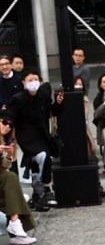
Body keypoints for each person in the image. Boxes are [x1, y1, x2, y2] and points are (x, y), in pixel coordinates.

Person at [7, 70, 64, 211]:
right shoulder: (18, 98)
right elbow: (10, 117)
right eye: (30, 79)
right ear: (24, 83)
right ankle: (46, 187)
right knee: (43, 157)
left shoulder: (43, 95)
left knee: (40, 161)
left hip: (42, 135)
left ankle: (39, 193)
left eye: (35, 79)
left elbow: (52, 111)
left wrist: (58, 103)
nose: (33, 82)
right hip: (27, 137)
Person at [0, 114, 36, 245]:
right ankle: (16, 225)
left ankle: (15, 224)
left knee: (11, 182)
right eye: (4, 122)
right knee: (11, 181)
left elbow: (3, 168)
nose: (7, 127)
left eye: (10, 125)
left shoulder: (5, 141)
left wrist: (8, 156)